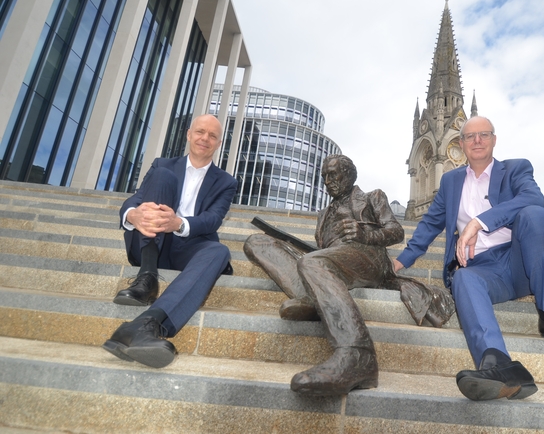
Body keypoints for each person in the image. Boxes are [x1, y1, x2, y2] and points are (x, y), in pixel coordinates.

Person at [393, 116, 544, 402]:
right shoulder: (451, 181)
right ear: (461, 144)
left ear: (494, 139)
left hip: (519, 262)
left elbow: (534, 197)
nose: (477, 140)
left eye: (484, 134)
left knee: (535, 215)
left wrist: (479, 222)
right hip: (482, 270)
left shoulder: (516, 168)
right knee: (462, 278)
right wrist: (401, 261)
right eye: (470, 136)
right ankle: (499, 364)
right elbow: (430, 223)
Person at [244, 155, 404, 396]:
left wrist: (367, 235)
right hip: (329, 260)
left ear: (349, 175)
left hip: (367, 257)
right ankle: (316, 299)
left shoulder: (373, 196)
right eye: (324, 177)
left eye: (333, 175)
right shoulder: (323, 214)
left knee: (312, 261)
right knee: (257, 242)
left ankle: (358, 355)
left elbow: (396, 231)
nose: (328, 181)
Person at [103, 114, 238, 369]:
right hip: (152, 245)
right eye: (200, 132)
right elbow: (137, 199)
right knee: (163, 177)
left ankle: (146, 325)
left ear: (218, 143)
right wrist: (132, 215)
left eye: (212, 136)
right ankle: (147, 277)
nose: (205, 138)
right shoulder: (161, 164)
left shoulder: (226, 182)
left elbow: (212, 219)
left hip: (189, 247)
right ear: (189, 134)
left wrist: (179, 224)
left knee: (219, 251)